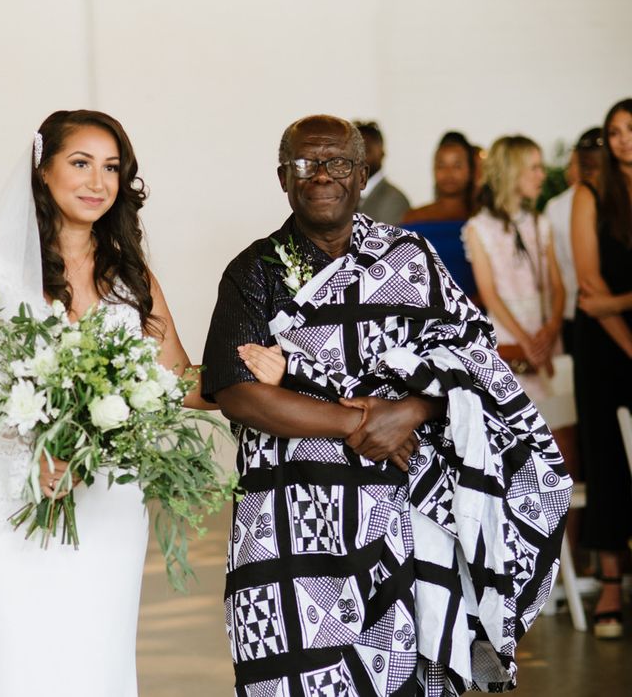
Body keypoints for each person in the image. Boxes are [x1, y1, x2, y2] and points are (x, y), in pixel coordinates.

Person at [0, 109, 281, 696]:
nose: (98, 182)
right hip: (6, 510)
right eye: (81, 163)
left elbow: (178, 378)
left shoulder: (132, 278)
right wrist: (34, 453)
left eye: (112, 168)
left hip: (107, 508)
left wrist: (251, 372)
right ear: (43, 168)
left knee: (92, 664)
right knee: (11, 665)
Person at [202, 114, 570, 696]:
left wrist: (414, 411)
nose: (322, 175)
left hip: (402, 512)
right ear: (283, 178)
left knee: (405, 670)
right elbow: (237, 392)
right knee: (291, 670)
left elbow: (475, 361)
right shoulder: (255, 271)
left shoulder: (411, 258)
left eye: (339, 162)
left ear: (363, 174)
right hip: (291, 518)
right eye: (305, 163)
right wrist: (363, 420)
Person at [571, 98, 632, 640]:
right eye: (615, 132)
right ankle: (611, 586)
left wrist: (620, 301)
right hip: (604, 349)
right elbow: (590, 292)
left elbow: (607, 297)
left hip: (620, 327)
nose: (622, 140)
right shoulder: (590, 195)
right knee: (607, 460)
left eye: (631, 130)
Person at [462, 135, 565, 404]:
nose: (541, 175)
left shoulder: (540, 223)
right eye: (534, 168)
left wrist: (551, 329)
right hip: (509, 334)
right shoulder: (479, 228)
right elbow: (489, 295)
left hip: (544, 332)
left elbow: (557, 285)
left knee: (560, 420)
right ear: (512, 172)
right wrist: (526, 342)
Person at [544, 128, 603, 354]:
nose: (571, 170)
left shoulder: (556, 206)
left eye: (574, 164)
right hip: (576, 307)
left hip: (575, 307)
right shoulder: (556, 206)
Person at [401, 131, 478, 298]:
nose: (449, 173)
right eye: (441, 166)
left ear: (470, 171)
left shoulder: (481, 218)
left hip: (477, 312)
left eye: (457, 166)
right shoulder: (413, 218)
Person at [355, 120, 410, 226]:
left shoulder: (395, 200)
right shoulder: (341, 195)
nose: (360, 157)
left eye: (367, 150)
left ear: (382, 153)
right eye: (355, 151)